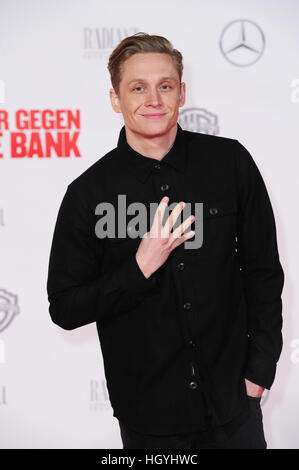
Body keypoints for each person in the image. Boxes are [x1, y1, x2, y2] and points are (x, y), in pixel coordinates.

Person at [46, 32, 284, 449]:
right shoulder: (88, 193)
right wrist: (139, 267)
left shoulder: (230, 163)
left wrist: (258, 372)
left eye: (165, 85)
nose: (153, 99)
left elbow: (263, 273)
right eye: (137, 87)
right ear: (116, 99)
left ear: (182, 92)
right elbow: (65, 307)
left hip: (235, 408)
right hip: (149, 419)